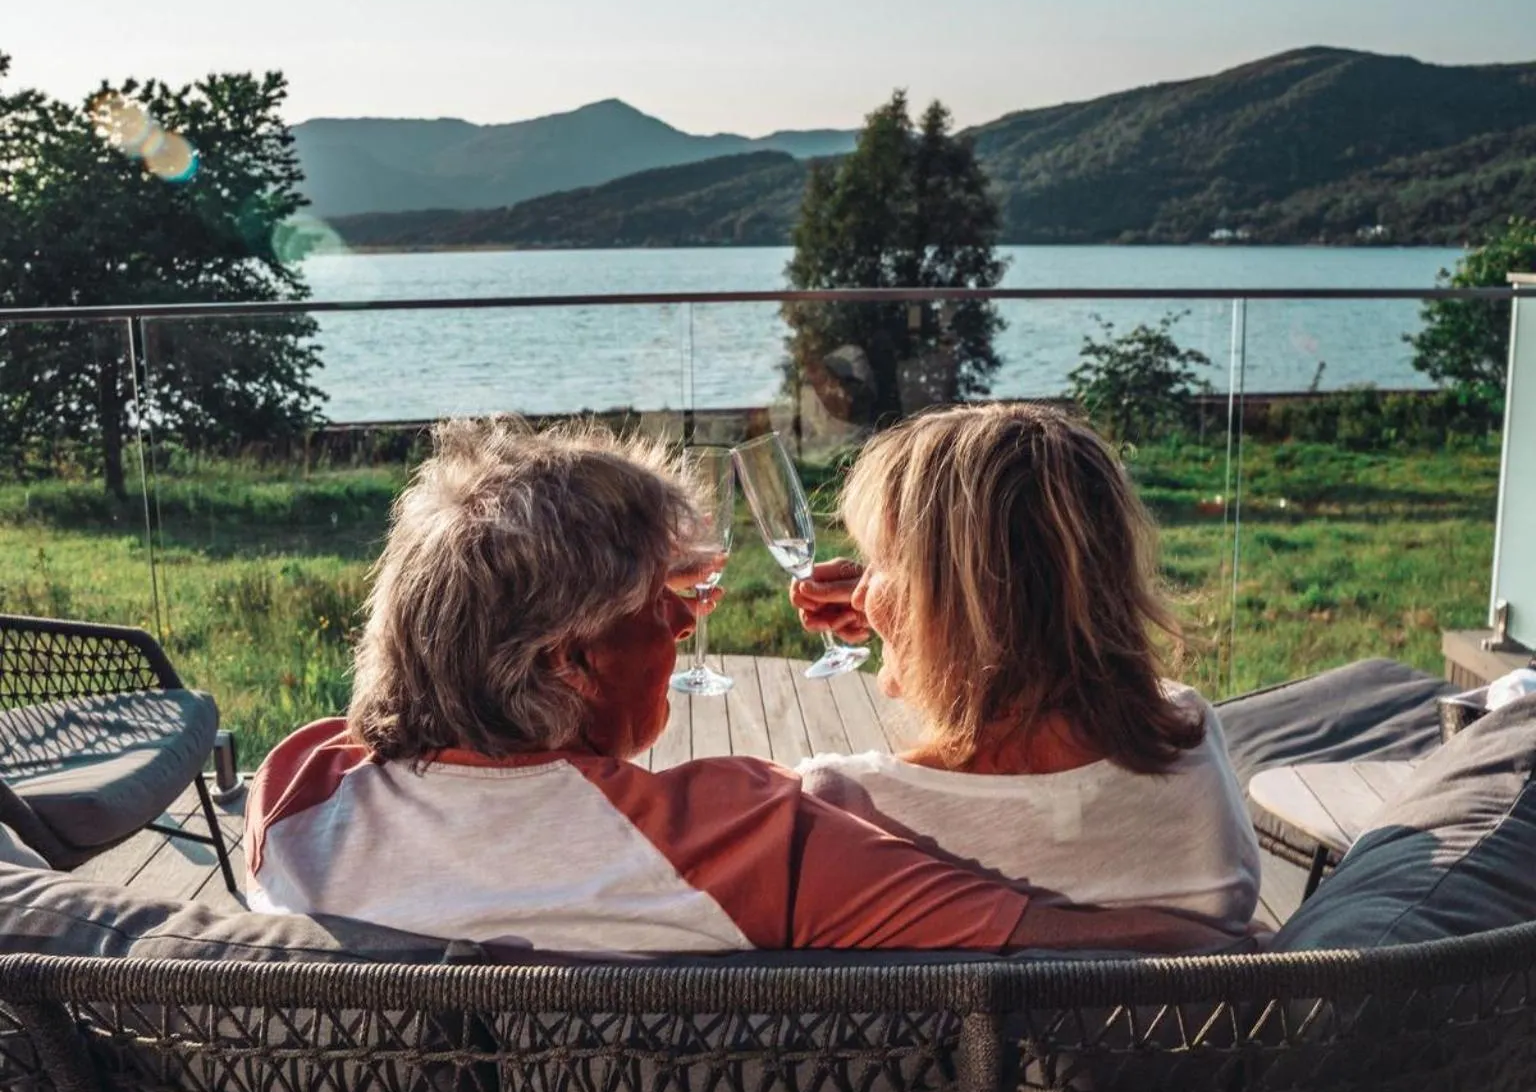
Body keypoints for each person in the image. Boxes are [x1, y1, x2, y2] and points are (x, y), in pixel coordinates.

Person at [248, 417, 1239, 957]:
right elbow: (1129, 948)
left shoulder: (294, 791)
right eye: (662, 607)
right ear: (566, 659)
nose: (687, 624)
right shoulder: (755, 842)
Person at [791, 402, 1261, 931]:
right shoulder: (1192, 757)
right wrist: (923, 616)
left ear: (946, 605)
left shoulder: (842, 810)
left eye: (878, 561)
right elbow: (1040, 616)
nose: (862, 589)